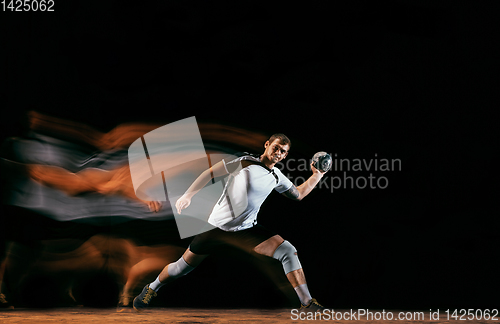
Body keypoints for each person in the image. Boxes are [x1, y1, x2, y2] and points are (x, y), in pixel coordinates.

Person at [133, 133, 327, 311]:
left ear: (285, 156)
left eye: (283, 152)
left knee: (288, 251)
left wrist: (317, 175)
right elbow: (210, 173)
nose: (278, 153)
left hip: (247, 229)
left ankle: (307, 303)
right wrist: (188, 195)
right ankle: (151, 288)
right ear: (267, 145)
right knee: (179, 269)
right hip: (216, 227)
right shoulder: (243, 161)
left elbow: (299, 194)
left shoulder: (277, 177)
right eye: (276, 147)